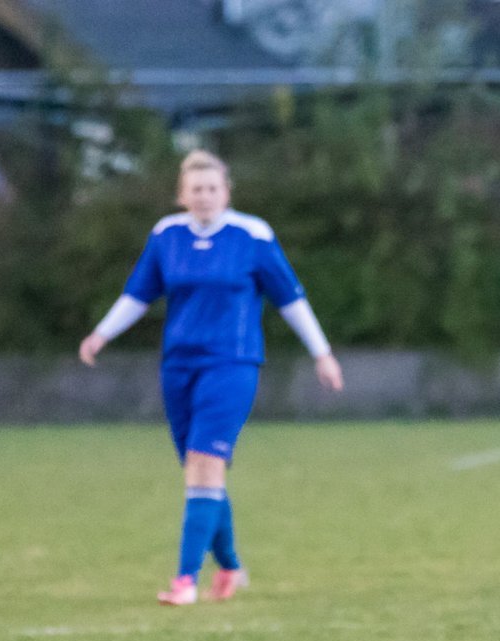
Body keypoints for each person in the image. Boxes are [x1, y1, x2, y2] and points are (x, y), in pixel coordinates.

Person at [78, 149, 344, 605]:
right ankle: (232, 566)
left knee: (205, 462)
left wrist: (322, 353)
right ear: (182, 195)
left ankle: (185, 580)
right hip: (178, 365)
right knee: (200, 471)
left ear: (226, 192)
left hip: (232, 363)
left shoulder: (252, 235)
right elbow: (138, 294)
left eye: (213, 188)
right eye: (196, 189)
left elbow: (291, 299)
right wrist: (101, 333)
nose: (204, 197)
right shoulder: (166, 235)